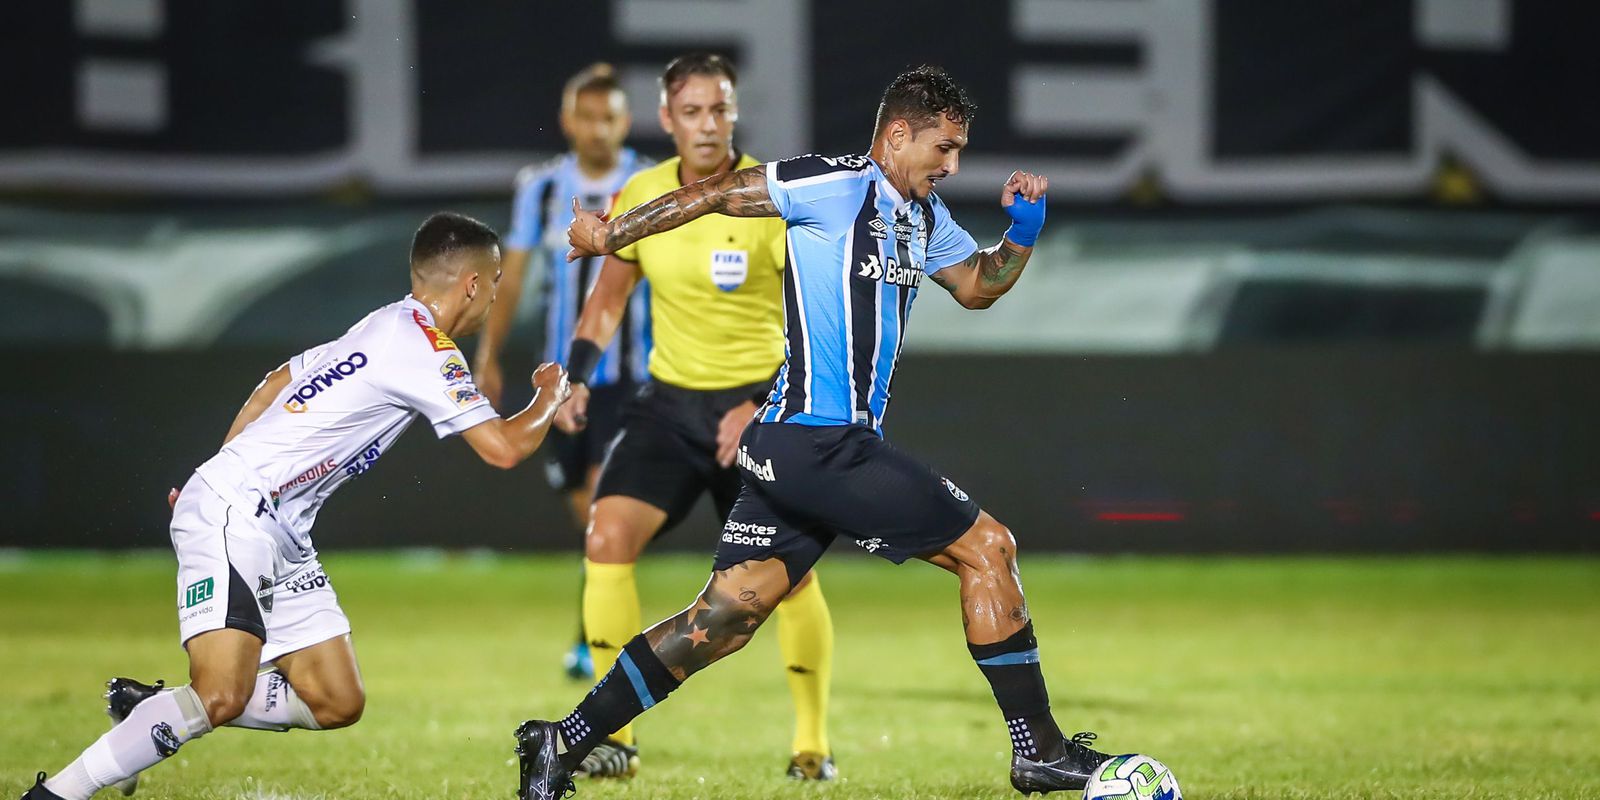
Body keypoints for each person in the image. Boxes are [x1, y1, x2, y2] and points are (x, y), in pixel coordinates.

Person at [513, 66, 1114, 800]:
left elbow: (979, 287)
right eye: (945, 148)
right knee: (990, 549)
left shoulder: (923, 216)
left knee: (722, 620)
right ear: (899, 134)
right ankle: (1040, 751)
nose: (953, 165)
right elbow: (712, 195)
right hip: (819, 443)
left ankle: (560, 743)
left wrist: (1020, 233)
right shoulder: (830, 182)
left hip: (786, 447)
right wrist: (611, 233)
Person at [21, 213, 571, 800]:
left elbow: (274, 383)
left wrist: (221, 467)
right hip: (241, 511)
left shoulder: (383, 325)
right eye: (492, 282)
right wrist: (549, 395)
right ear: (471, 283)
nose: (493, 296)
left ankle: (148, 712)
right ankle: (55, 795)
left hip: (277, 527)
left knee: (335, 699)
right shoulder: (428, 348)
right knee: (218, 696)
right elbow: (505, 449)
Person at [549, 52, 836, 781]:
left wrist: (761, 404)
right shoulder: (642, 194)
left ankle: (812, 744)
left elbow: (816, 325)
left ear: (733, 115)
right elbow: (608, 299)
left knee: (787, 578)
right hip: (670, 407)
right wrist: (577, 376)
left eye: (720, 109)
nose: (708, 125)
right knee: (606, 535)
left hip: (762, 408)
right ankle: (618, 739)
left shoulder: (772, 196)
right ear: (668, 120)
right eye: (694, 111)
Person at [473, 62, 653, 682]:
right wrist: (488, 355)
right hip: (559, 379)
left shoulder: (647, 182)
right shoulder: (542, 189)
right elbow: (513, 277)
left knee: (606, 511)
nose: (599, 129)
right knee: (587, 511)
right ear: (568, 120)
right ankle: (602, 620)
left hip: (629, 377)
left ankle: (596, 642)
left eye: (610, 118)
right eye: (588, 116)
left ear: (625, 122)